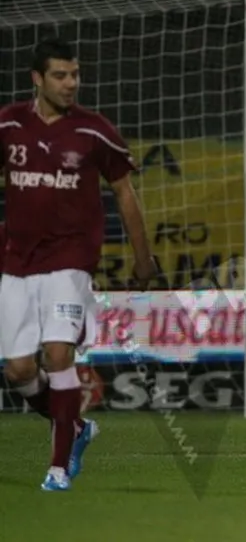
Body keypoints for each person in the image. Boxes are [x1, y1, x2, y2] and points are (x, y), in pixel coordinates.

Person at [0, 37, 156, 491]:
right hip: (17, 260)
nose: (71, 84)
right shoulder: (8, 124)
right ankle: (75, 427)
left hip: (71, 258)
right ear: (37, 78)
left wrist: (142, 257)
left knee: (58, 354)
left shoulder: (94, 130)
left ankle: (58, 466)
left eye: (75, 75)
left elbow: (124, 192)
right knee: (18, 370)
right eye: (60, 75)